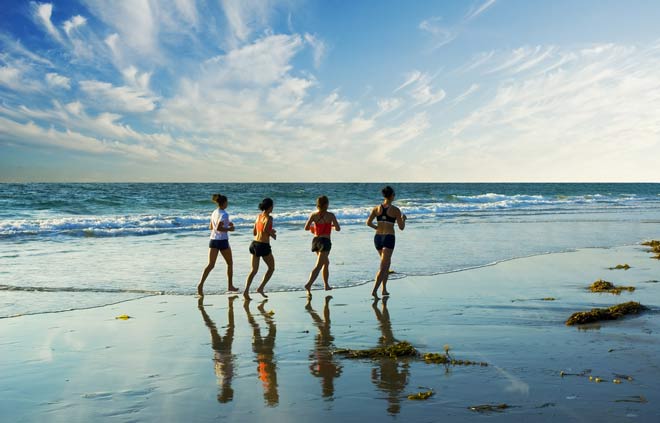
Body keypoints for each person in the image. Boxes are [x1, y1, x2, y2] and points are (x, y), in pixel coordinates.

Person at [366, 186, 406, 298]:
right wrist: (403, 219)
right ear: (391, 195)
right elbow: (401, 227)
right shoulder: (395, 210)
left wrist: (378, 228)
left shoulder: (376, 208)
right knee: (384, 266)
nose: (394, 196)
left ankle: (384, 289)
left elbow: (368, 223)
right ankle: (374, 290)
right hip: (388, 237)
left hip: (378, 238)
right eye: (394, 194)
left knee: (387, 264)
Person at [198, 194, 238, 296]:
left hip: (213, 240)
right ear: (224, 203)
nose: (227, 204)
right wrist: (230, 229)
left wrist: (227, 224)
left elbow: (211, 227)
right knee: (230, 263)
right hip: (222, 241)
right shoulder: (224, 214)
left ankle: (201, 284)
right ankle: (230, 286)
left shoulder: (214, 212)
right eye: (227, 202)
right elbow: (219, 228)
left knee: (211, 264)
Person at [303, 196, 341, 296]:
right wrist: (331, 227)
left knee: (326, 263)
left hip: (316, 241)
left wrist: (315, 228)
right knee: (319, 265)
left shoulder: (313, 215)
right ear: (326, 204)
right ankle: (309, 284)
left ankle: (326, 285)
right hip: (325, 241)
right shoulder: (330, 215)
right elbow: (338, 229)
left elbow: (306, 228)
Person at [244, 198, 277, 299]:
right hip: (263, 246)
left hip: (254, 244)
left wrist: (269, 231)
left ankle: (246, 291)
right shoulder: (269, 218)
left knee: (253, 270)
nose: (273, 208)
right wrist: (272, 234)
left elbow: (254, 232)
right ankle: (261, 288)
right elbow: (265, 229)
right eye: (272, 206)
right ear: (269, 207)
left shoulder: (258, 217)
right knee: (271, 268)